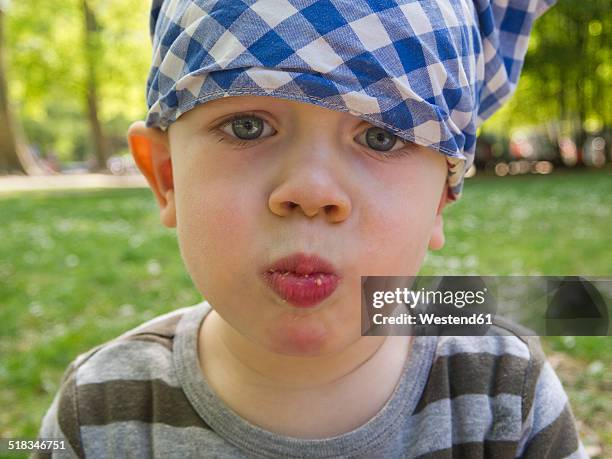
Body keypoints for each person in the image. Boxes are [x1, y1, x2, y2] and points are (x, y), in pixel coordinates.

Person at [35, 0, 588, 457]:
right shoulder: (100, 413)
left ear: (441, 198)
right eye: (248, 126)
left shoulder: (503, 390)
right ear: (166, 176)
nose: (312, 192)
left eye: (380, 137)